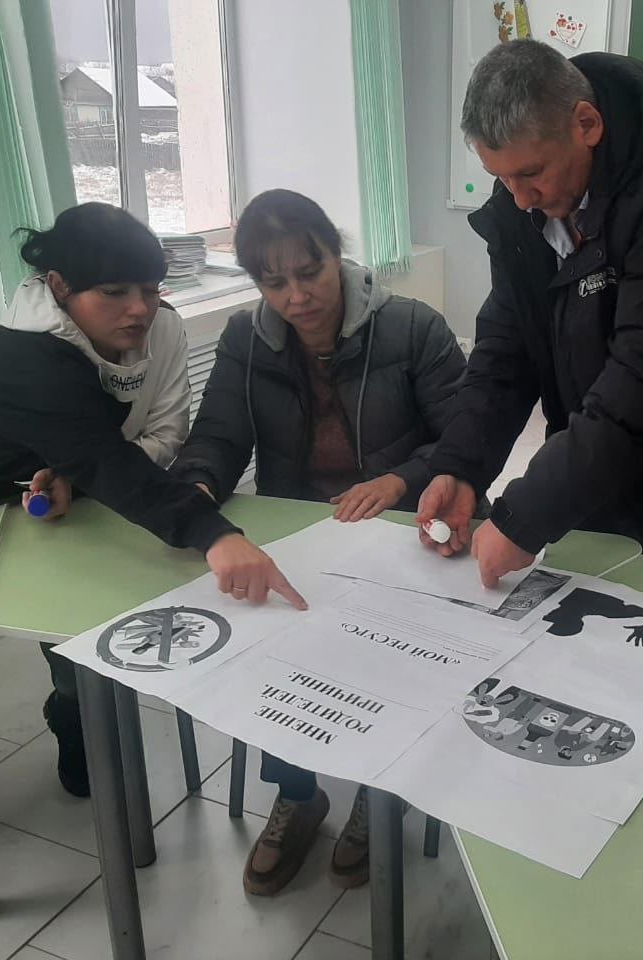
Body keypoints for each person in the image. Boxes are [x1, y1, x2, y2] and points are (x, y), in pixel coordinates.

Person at [0, 202, 303, 798]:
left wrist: (78, 479)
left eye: (150, 290)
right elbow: (106, 458)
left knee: (80, 650)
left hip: (65, 512)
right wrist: (215, 533)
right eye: (114, 292)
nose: (139, 309)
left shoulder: (161, 328)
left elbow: (151, 438)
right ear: (59, 286)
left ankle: (75, 728)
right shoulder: (24, 355)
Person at [416, 40, 643, 606]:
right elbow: (507, 347)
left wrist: (524, 517)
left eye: (530, 174)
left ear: (586, 124)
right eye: (501, 178)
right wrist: (461, 465)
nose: (519, 199)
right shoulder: (527, 202)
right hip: (595, 469)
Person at [172, 188, 467, 895]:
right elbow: (217, 436)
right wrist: (197, 490)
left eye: (311, 273)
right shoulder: (246, 339)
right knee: (273, 646)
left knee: (387, 650)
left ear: (338, 255)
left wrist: (399, 480)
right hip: (301, 534)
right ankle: (298, 794)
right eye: (274, 282)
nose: (297, 297)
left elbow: (465, 440)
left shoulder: (413, 328)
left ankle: (376, 790)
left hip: (398, 532)